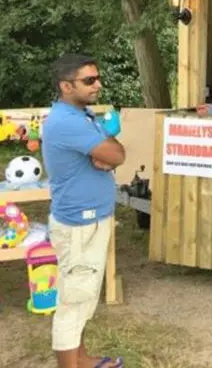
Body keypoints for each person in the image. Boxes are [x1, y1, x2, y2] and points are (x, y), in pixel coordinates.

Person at [42, 54, 126, 368]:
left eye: (97, 78)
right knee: (74, 300)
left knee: (84, 295)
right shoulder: (66, 122)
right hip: (79, 223)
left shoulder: (82, 114)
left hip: (91, 219)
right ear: (66, 86)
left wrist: (106, 148)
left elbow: (110, 155)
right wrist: (109, 145)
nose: (98, 85)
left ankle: (81, 358)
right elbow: (116, 155)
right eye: (88, 80)